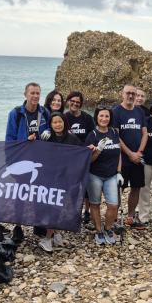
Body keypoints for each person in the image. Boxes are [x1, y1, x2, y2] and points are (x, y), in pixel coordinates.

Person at [5, 82, 51, 243]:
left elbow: (52, 129)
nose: (35, 96)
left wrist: (48, 133)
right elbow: (9, 139)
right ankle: (17, 227)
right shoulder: (16, 113)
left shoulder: (44, 112)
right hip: (21, 160)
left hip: (40, 160)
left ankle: (38, 223)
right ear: (25, 94)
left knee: (39, 193)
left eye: (38, 93)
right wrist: (10, 161)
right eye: (32, 93)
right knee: (21, 195)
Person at [37, 112, 82, 252]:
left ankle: (53, 235)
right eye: (54, 122)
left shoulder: (72, 138)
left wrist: (92, 149)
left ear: (64, 123)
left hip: (65, 178)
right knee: (52, 208)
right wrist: (35, 139)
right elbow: (36, 151)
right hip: (49, 178)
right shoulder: (47, 137)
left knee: (59, 207)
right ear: (50, 124)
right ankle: (49, 237)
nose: (57, 124)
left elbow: (81, 152)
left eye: (60, 122)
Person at [112, 84, 148, 230]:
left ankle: (130, 217)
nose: (131, 96)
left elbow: (145, 133)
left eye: (133, 93)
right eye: (128, 93)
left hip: (138, 158)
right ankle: (114, 219)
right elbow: (116, 136)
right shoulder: (116, 112)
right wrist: (130, 154)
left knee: (136, 187)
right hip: (122, 159)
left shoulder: (139, 112)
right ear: (122, 94)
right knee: (119, 189)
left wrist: (139, 152)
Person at [86, 107, 122, 245]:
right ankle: (99, 231)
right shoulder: (92, 135)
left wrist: (119, 172)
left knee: (113, 205)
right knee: (95, 204)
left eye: (107, 116)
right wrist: (98, 150)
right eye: (101, 116)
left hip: (112, 175)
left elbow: (119, 154)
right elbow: (89, 160)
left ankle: (108, 228)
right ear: (97, 117)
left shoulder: (114, 132)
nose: (104, 119)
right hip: (95, 174)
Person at [64, 91, 96, 224]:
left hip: (85, 156)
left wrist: (88, 148)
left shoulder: (87, 118)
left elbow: (93, 134)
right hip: (71, 158)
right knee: (73, 187)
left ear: (81, 104)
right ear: (68, 101)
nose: (75, 104)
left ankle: (87, 211)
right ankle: (74, 211)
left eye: (78, 102)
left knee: (87, 186)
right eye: (73, 101)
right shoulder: (64, 117)